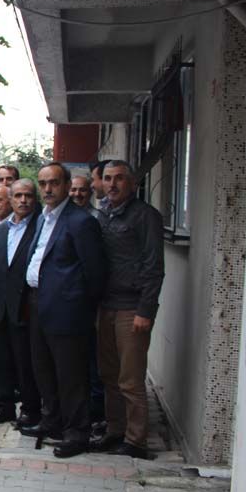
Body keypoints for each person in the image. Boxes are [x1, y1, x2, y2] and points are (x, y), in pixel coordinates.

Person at [21, 162, 106, 459]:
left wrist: (80, 307)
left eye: (54, 183)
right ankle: (53, 422)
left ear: (67, 185)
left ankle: (77, 432)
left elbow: (95, 272)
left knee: (71, 375)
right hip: (38, 304)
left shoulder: (81, 222)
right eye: (43, 183)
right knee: (43, 369)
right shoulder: (42, 218)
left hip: (68, 311)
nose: (47, 189)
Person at [93, 160, 164, 459]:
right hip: (105, 305)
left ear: (133, 183)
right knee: (109, 375)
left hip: (132, 308)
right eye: (108, 178)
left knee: (131, 379)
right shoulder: (102, 214)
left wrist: (145, 310)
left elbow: (154, 266)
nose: (112, 184)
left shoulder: (145, 216)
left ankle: (136, 441)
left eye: (119, 178)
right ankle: (115, 430)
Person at [0, 179, 41, 426]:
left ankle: (30, 409)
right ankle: (2, 407)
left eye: (28, 195)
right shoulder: (0, 230)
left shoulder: (40, 227)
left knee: (25, 363)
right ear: (11, 200)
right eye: (18, 196)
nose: (23, 200)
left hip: (24, 308)